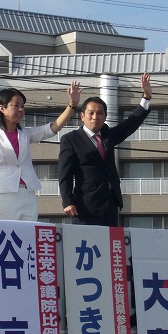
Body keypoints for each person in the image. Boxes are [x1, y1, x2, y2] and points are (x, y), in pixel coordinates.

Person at [0, 81, 82, 221]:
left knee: (29, 232)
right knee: (5, 232)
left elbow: (52, 128)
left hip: (28, 194)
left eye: (22, 106)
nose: (21, 109)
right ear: (2, 108)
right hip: (4, 194)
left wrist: (72, 105)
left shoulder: (25, 133)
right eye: (16, 105)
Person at [58, 73, 152, 227]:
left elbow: (131, 123)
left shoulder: (108, 135)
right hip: (84, 207)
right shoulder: (71, 139)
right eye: (91, 113)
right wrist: (67, 201)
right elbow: (65, 175)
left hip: (110, 205)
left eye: (100, 113)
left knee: (111, 242)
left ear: (105, 116)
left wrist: (146, 96)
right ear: (82, 116)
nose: (95, 117)